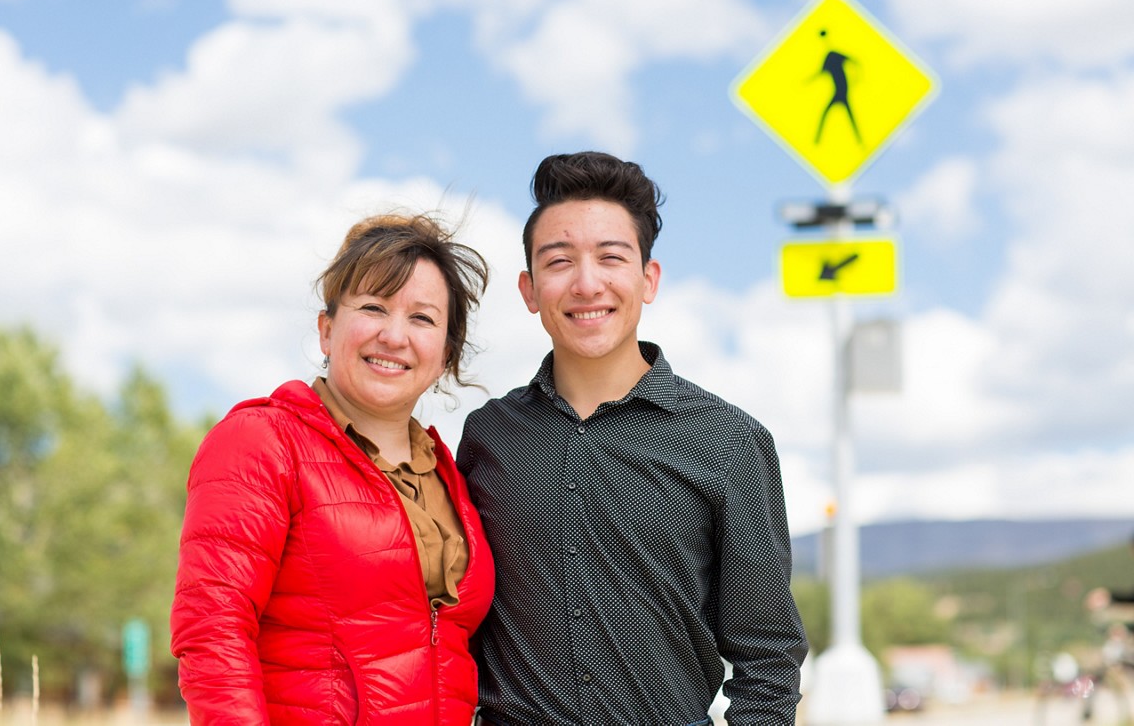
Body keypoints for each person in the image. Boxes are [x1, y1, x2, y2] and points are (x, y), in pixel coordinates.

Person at [457, 152, 808, 726]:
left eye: (611, 258)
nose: (586, 283)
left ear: (648, 280)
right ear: (529, 288)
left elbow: (769, 662)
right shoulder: (489, 434)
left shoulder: (729, 442)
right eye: (559, 261)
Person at [170, 212, 495, 725]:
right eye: (373, 307)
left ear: (446, 354)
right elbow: (213, 631)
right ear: (327, 330)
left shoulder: (450, 477)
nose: (393, 335)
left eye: (422, 318)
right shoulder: (262, 442)